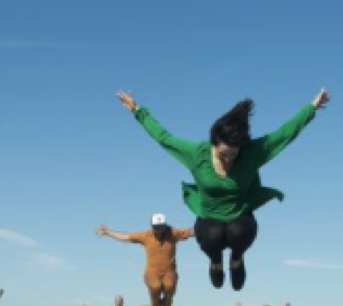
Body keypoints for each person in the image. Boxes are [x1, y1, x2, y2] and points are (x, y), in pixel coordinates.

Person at [117, 89, 329, 290]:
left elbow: (285, 134)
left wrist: (312, 107)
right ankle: (216, 262)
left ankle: (236, 259)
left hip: (240, 216)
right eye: (222, 155)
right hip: (208, 218)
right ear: (213, 145)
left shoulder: (252, 153)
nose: (228, 160)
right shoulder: (196, 154)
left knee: (238, 231)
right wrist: (137, 110)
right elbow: (163, 137)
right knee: (213, 234)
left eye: (233, 155)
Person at [97, 215, 194, 306]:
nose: (159, 230)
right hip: (152, 271)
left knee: (169, 286)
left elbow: (191, 231)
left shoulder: (173, 233)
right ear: (152, 227)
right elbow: (126, 237)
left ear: (165, 226)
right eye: (156, 228)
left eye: (161, 227)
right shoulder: (145, 235)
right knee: (155, 287)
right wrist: (108, 232)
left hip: (169, 271)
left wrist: (208, 225)